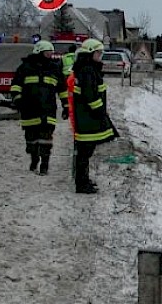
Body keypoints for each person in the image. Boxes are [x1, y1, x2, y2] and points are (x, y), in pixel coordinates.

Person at [10, 40, 69, 175]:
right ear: (39, 52)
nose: (50, 55)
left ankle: (45, 164)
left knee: (46, 138)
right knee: (31, 139)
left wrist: (66, 106)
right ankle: (34, 158)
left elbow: (62, 89)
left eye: (51, 53)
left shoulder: (54, 68)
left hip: (48, 109)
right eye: (47, 53)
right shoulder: (25, 67)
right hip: (29, 109)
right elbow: (16, 85)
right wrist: (17, 100)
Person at [70, 38, 119, 194]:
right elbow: (90, 95)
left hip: (86, 117)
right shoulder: (88, 70)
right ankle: (81, 184)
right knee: (84, 153)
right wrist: (100, 112)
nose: (101, 56)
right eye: (99, 53)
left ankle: (84, 180)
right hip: (88, 118)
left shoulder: (87, 69)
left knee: (86, 152)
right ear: (91, 53)